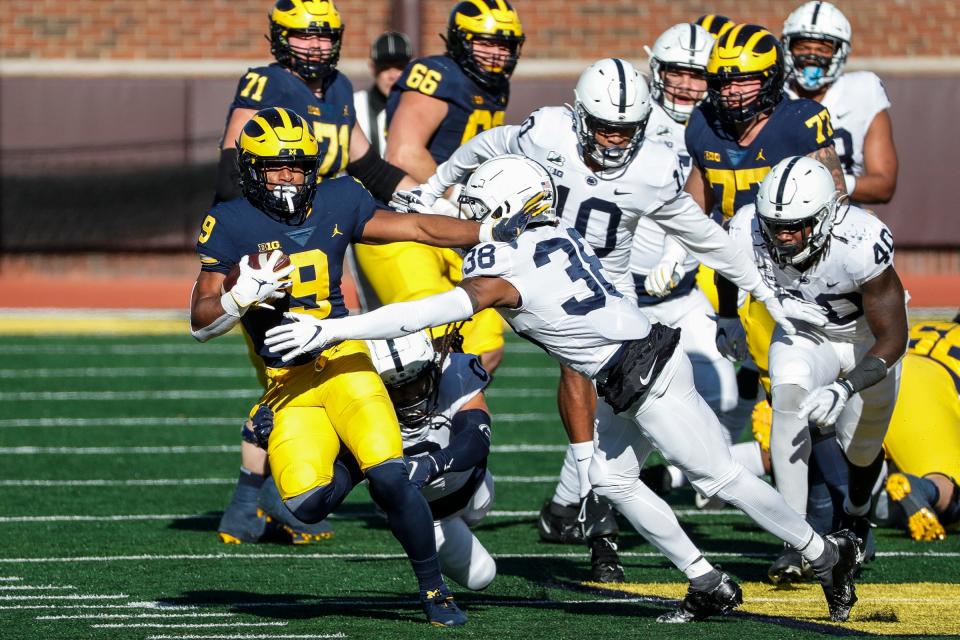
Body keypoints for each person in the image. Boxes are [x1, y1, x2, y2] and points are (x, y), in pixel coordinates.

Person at [264, 154, 862, 624]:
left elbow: (421, 313)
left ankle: (824, 554)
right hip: (631, 365)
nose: (471, 214)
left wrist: (333, 327)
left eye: (481, 205)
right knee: (610, 479)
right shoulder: (556, 233)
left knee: (720, 479)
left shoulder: (505, 266)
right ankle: (707, 580)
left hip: (646, 373)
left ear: (504, 207)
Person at [190, 107, 522, 626]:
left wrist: (488, 231)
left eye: (297, 166)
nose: (287, 178)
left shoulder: (338, 197)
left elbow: (416, 226)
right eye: (275, 167)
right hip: (289, 383)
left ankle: (434, 592)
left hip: (344, 361)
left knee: (390, 476)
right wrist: (237, 298)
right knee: (307, 505)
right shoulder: (229, 222)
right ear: (251, 170)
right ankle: (351, 457)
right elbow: (200, 321)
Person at [398, 58, 691, 582]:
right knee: (559, 372)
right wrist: (439, 182)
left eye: (626, 130)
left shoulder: (669, 151)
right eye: (604, 127)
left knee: (640, 407)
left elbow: (696, 212)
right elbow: (489, 145)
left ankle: (579, 507)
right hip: (547, 265)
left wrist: (694, 259)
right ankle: (589, 509)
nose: (615, 139)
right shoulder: (549, 131)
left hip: (619, 282)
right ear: (580, 116)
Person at [212, 0, 419, 547]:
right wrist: (252, 247)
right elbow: (233, 163)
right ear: (279, 38)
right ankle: (253, 502)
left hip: (319, 244)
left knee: (312, 377)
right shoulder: (265, 83)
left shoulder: (341, 88)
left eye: (324, 36)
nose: (315, 46)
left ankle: (270, 501)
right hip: (273, 251)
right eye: (303, 36)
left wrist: (430, 200)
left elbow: (367, 166)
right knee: (285, 381)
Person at [727, 156, 907, 581]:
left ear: (826, 217)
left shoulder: (861, 240)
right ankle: (796, 539)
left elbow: (894, 339)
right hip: (805, 333)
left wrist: (845, 388)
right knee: (787, 402)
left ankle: (857, 516)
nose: (783, 236)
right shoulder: (747, 228)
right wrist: (726, 318)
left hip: (866, 341)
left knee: (863, 448)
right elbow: (725, 268)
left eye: (796, 225)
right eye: (775, 225)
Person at [354, 0, 526, 374]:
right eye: (485, 42)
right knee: (429, 334)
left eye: (504, 44)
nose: (496, 53)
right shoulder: (436, 74)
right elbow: (404, 152)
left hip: (455, 225)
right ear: (461, 40)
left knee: (486, 344)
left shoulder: (495, 85)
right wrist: (458, 198)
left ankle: (441, 425)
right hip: (404, 220)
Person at [368, 331, 497, 591]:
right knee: (482, 575)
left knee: (481, 504)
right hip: (428, 513)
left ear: (433, 367)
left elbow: (476, 436)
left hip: (474, 483)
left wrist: (430, 465)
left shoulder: (454, 369)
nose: (409, 397)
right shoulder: (362, 398)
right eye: (398, 388)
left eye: (415, 383)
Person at [783, 1, 898, 204]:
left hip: (843, 215)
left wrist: (827, 182)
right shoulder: (775, 95)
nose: (812, 56)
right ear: (788, 48)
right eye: (803, 47)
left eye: (822, 49)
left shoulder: (863, 90)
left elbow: (884, 185)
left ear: (840, 52)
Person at [353, 32, 413, 159]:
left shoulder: (421, 107)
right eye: (385, 67)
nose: (393, 75)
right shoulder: (354, 105)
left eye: (400, 67)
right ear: (372, 68)